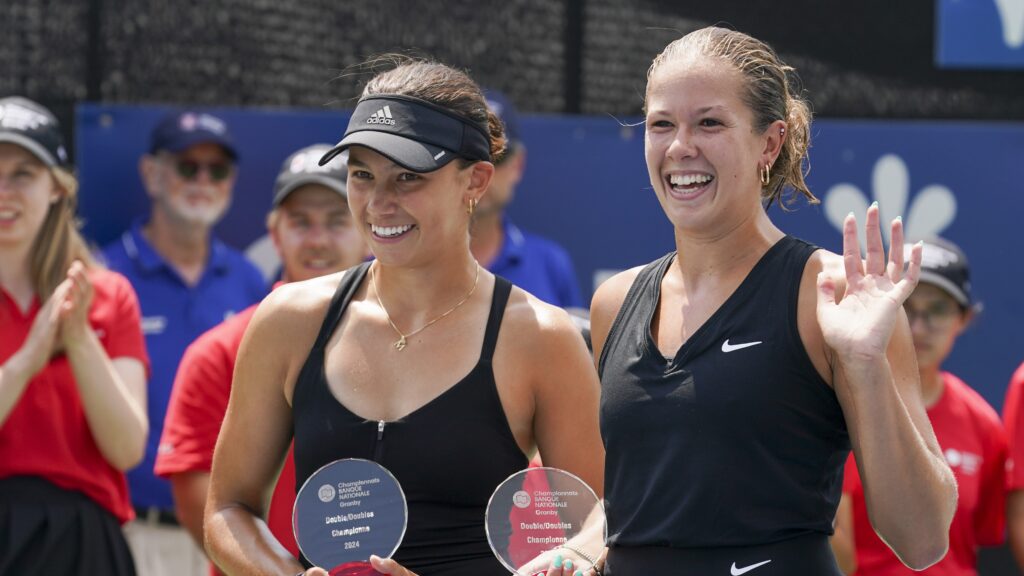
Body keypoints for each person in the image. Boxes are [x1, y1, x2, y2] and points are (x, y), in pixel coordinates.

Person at [204, 58, 604, 576]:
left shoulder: (541, 337)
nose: (378, 203)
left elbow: (602, 519)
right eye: (362, 175)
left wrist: (571, 557)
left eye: (408, 177)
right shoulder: (290, 319)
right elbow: (226, 508)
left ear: (476, 181)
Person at [588, 27, 957, 575]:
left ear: (770, 142)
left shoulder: (834, 296)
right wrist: (578, 548)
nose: (680, 146)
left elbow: (923, 540)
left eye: (709, 122)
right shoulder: (614, 302)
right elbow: (630, 502)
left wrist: (865, 364)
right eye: (661, 124)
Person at [153, 144, 368, 574]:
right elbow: (199, 498)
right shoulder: (217, 352)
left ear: (368, 228)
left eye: (337, 221)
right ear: (274, 234)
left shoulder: (414, 340)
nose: (318, 240)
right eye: (300, 222)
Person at [101, 109, 267, 576]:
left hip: (240, 532)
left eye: (216, 170)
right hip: (139, 530)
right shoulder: (107, 276)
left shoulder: (249, 279)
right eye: (186, 166)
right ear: (151, 174)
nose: (202, 181)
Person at [0, 96, 149, 575]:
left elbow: (126, 448)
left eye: (22, 173)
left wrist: (80, 339)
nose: (5, 191)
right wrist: (28, 358)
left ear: (58, 189)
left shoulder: (108, 294)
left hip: (83, 541)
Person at [831, 238, 1006, 575]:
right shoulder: (838, 410)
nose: (919, 326)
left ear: (965, 318)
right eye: (906, 305)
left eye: (938, 308)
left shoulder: (984, 423)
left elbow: (983, 541)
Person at [471, 89, 583, 310]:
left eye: (497, 158)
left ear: (518, 164)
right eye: (469, 159)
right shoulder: (405, 260)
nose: (483, 173)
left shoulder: (551, 264)